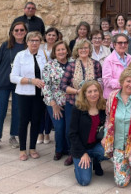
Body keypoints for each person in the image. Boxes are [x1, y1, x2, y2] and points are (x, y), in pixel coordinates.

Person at [60, 38, 103, 166]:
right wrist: (77, 91)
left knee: (90, 129)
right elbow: (63, 85)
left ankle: (93, 155)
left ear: (89, 50)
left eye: (86, 48)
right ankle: (73, 153)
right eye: (81, 48)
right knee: (71, 129)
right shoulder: (72, 65)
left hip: (92, 104)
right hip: (74, 102)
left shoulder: (96, 64)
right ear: (76, 51)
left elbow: (100, 82)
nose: (83, 50)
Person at [0, 21, 27, 151]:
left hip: (19, 84)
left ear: (25, 32)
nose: (19, 32)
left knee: (17, 112)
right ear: (11, 32)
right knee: (0, 112)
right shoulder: (5, 46)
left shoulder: (27, 48)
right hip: (3, 83)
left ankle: (13, 136)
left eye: (21, 30)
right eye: (16, 30)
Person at [10, 31, 47, 161]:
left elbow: (47, 73)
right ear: (27, 42)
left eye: (37, 40)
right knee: (23, 121)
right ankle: (22, 150)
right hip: (24, 94)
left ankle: (32, 148)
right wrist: (32, 81)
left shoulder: (43, 55)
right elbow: (13, 77)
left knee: (36, 121)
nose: (34, 43)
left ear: (40, 42)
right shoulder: (20, 56)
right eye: (32, 40)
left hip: (39, 94)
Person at [68, 81, 107, 186]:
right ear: (84, 93)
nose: (93, 94)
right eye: (89, 92)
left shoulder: (103, 107)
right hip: (80, 148)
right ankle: (79, 166)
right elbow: (72, 134)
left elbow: (108, 126)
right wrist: (82, 153)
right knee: (84, 181)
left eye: (95, 91)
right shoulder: (78, 108)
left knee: (110, 151)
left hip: (95, 145)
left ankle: (95, 161)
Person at [42, 41, 71, 161]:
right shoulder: (49, 66)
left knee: (69, 127)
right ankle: (59, 150)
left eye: (63, 49)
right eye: (58, 50)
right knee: (59, 126)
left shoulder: (73, 64)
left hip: (70, 102)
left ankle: (69, 150)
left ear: (67, 50)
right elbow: (45, 86)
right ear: (54, 52)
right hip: (54, 102)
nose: (61, 52)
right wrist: (53, 104)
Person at [38, 27, 61, 145]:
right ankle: (40, 132)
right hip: (39, 83)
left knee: (49, 110)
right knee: (40, 110)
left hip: (52, 85)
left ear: (57, 37)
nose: (51, 37)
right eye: (49, 35)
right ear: (45, 36)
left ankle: (47, 132)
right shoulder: (40, 48)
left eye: (53, 35)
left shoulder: (58, 49)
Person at [102, 33, 131, 99]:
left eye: (125, 43)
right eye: (120, 43)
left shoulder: (130, 58)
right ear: (114, 45)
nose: (123, 45)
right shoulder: (108, 60)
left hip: (128, 95)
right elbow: (107, 81)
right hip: (113, 97)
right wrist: (124, 83)